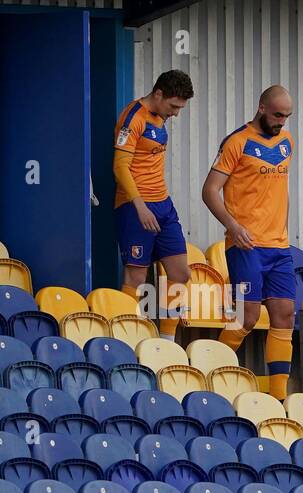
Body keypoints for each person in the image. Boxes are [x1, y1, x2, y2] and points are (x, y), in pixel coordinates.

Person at [201, 85, 296, 400]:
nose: (282, 121)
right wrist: (233, 226)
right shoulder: (237, 142)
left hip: (279, 247)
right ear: (261, 107)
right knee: (248, 317)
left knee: (285, 315)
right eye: (277, 114)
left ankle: (279, 399)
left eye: (287, 116)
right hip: (245, 245)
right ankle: (210, 373)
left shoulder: (286, 143)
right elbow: (210, 190)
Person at [112, 70, 195, 340]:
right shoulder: (132, 117)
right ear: (158, 94)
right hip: (136, 207)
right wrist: (140, 206)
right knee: (136, 279)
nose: (176, 113)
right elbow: (120, 166)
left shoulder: (160, 116)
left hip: (163, 204)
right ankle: (129, 341)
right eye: (174, 106)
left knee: (181, 273)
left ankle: (167, 344)